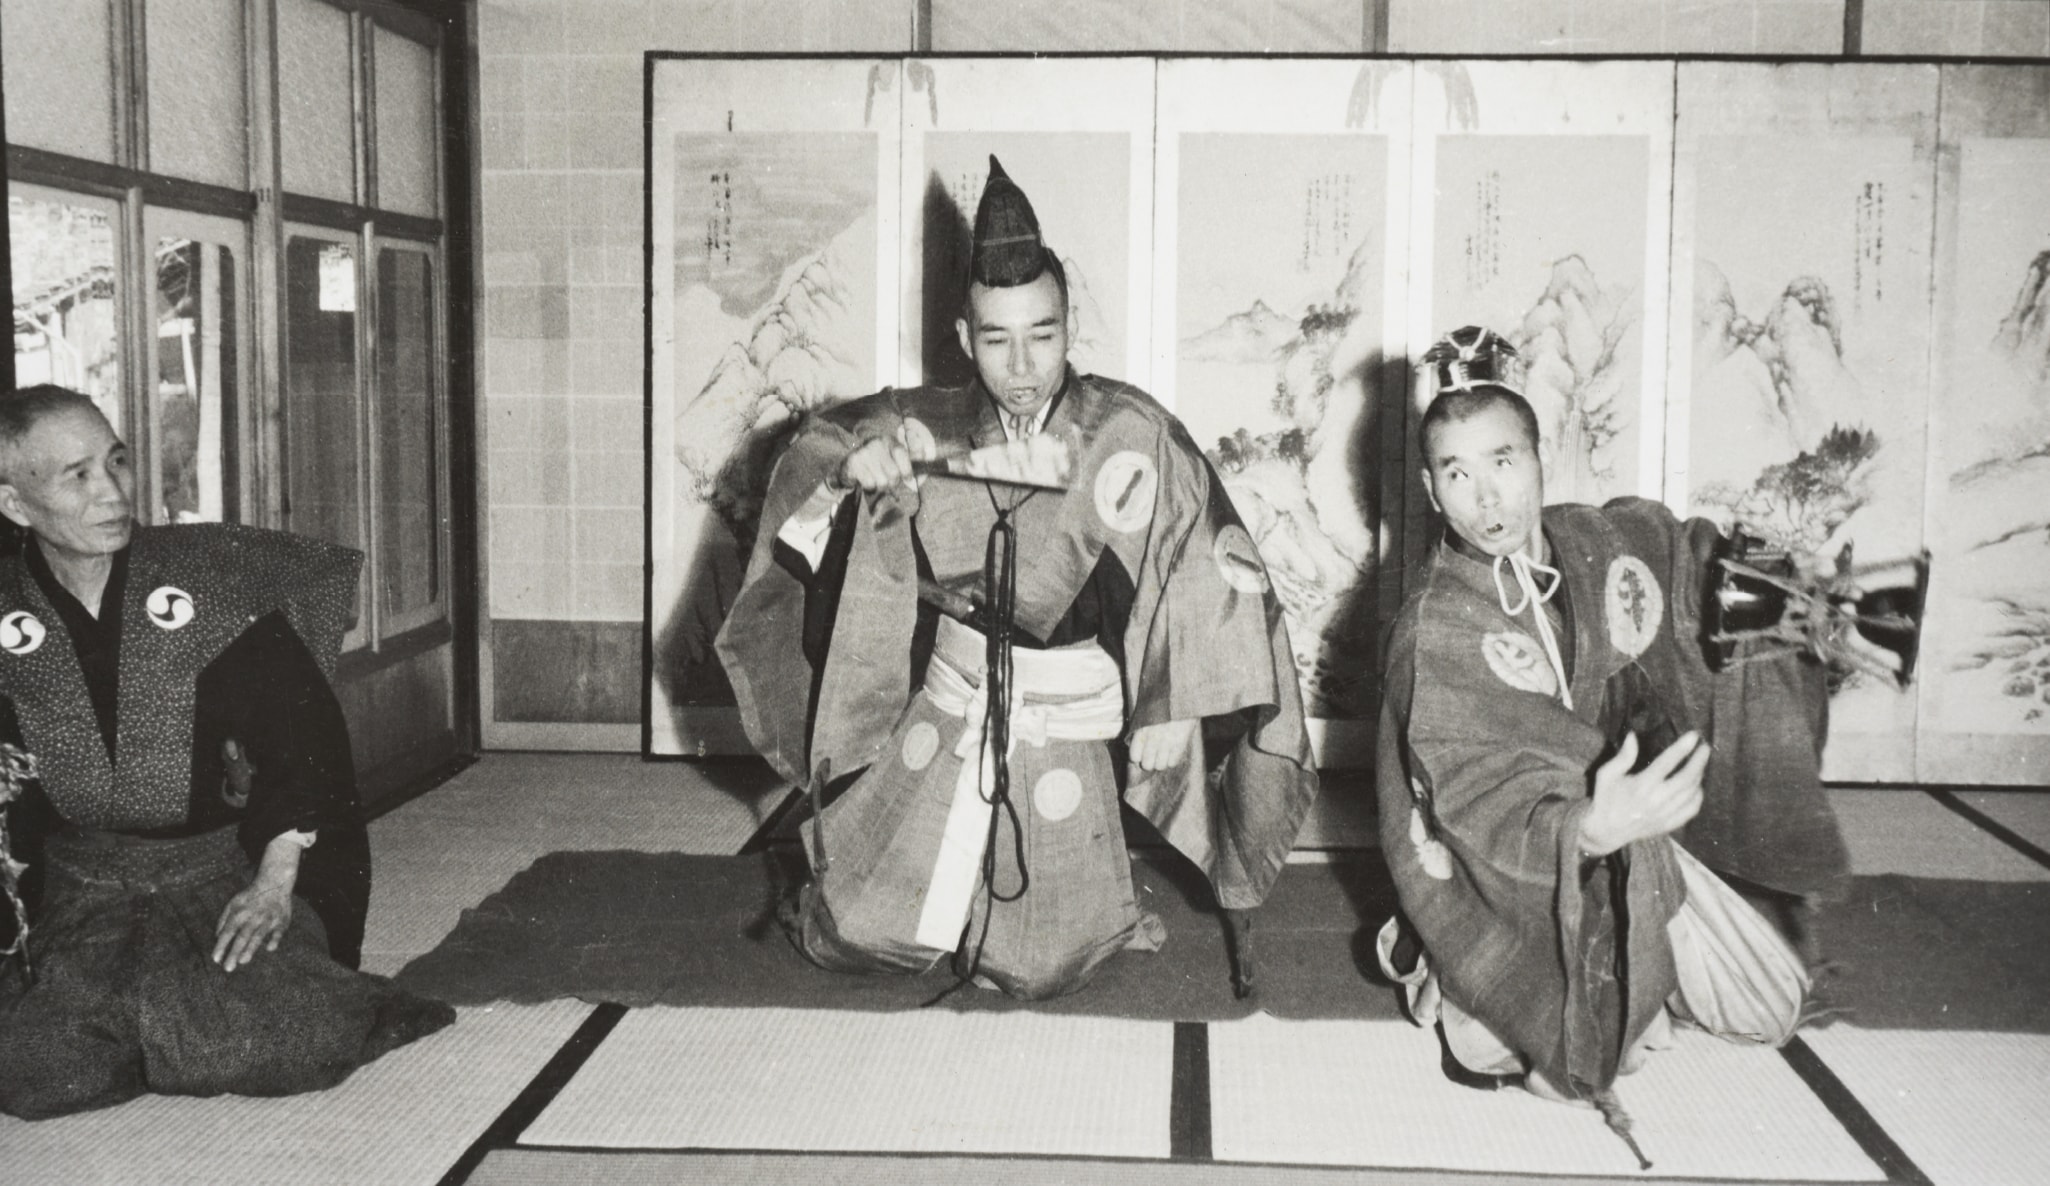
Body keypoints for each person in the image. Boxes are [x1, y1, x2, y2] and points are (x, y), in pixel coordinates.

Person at [717, 157, 1318, 1000]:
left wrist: (1174, 705)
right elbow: (809, 467)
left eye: (1044, 334)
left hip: (1065, 724)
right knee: (861, 932)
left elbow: (1205, 557)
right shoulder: (922, 425)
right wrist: (853, 472)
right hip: (949, 706)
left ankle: (1075, 897)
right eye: (996, 339)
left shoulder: (1127, 433)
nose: (1024, 365)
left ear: (1072, 328)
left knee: (1035, 964)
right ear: (965, 338)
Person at [1374, 328, 1841, 1154]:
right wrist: (1587, 830)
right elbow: (1473, 799)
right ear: (1430, 488)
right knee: (1522, 1051)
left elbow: (1680, 552)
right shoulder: (1438, 625)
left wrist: (1773, 583)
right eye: (1459, 473)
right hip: (1503, 878)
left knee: (1768, 1011)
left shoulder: (1589, 545)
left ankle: (1641, 952)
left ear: (1538, 455)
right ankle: (1441, 963)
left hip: (1634, 841)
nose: (1488, 500)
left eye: (1504, 462)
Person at [0, 384, 453, 1120]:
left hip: (221, 875)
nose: (111, 492)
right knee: (34, 1074)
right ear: (17, 505)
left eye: (115, 463)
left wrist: (275, 883)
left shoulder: (209, 584)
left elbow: (303, 744)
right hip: (82, 893)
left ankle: (173, 1019)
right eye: (75, 476)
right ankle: (149, 1020)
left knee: (285, 1041)